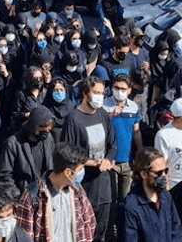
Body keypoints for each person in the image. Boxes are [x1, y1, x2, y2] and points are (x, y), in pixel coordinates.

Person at [60, 76, 117, 242]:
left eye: (102, 93)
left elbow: (113, 145)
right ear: (85, 93)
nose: (100, 96)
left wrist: (108, 159)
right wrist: (92, 163)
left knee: (101, 232)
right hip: (84, 187)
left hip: (104, 186)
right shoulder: (73, 119)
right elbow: (67, 153)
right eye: (96, 92)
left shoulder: (103, 115)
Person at [15, 143, 98, 242]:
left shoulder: (77, 190)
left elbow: (89, 222)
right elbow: (24, 236)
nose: (82, 172)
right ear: (67, 172)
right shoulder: (34, 196)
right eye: (80, 169)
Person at [120, 147, 182, 242]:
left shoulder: (166, 196)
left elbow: (176, 229)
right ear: (144, 174)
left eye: (165, 171)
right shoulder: (131, 207)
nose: (163, 176)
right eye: (158, 173)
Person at [0, 106, 56, 193]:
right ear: (33, 126)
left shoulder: (48, 139)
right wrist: (17, 196)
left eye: (48, 131)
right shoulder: (12, 144)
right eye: (42, 131)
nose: (45, 134)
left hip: (45, 193)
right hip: (23, 195)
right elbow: (5, 175)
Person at [103, 74, 142, 201]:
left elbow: (136, 131)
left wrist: (140, 152)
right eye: (116, 88)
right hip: (110, 160)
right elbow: (98, 126)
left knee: (126, 198)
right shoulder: (104, 105)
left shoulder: (133, 107)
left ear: (129, 90)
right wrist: (111, 115)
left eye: (123, 89)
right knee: (111, 198)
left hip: (127, 161)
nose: (119, 91)